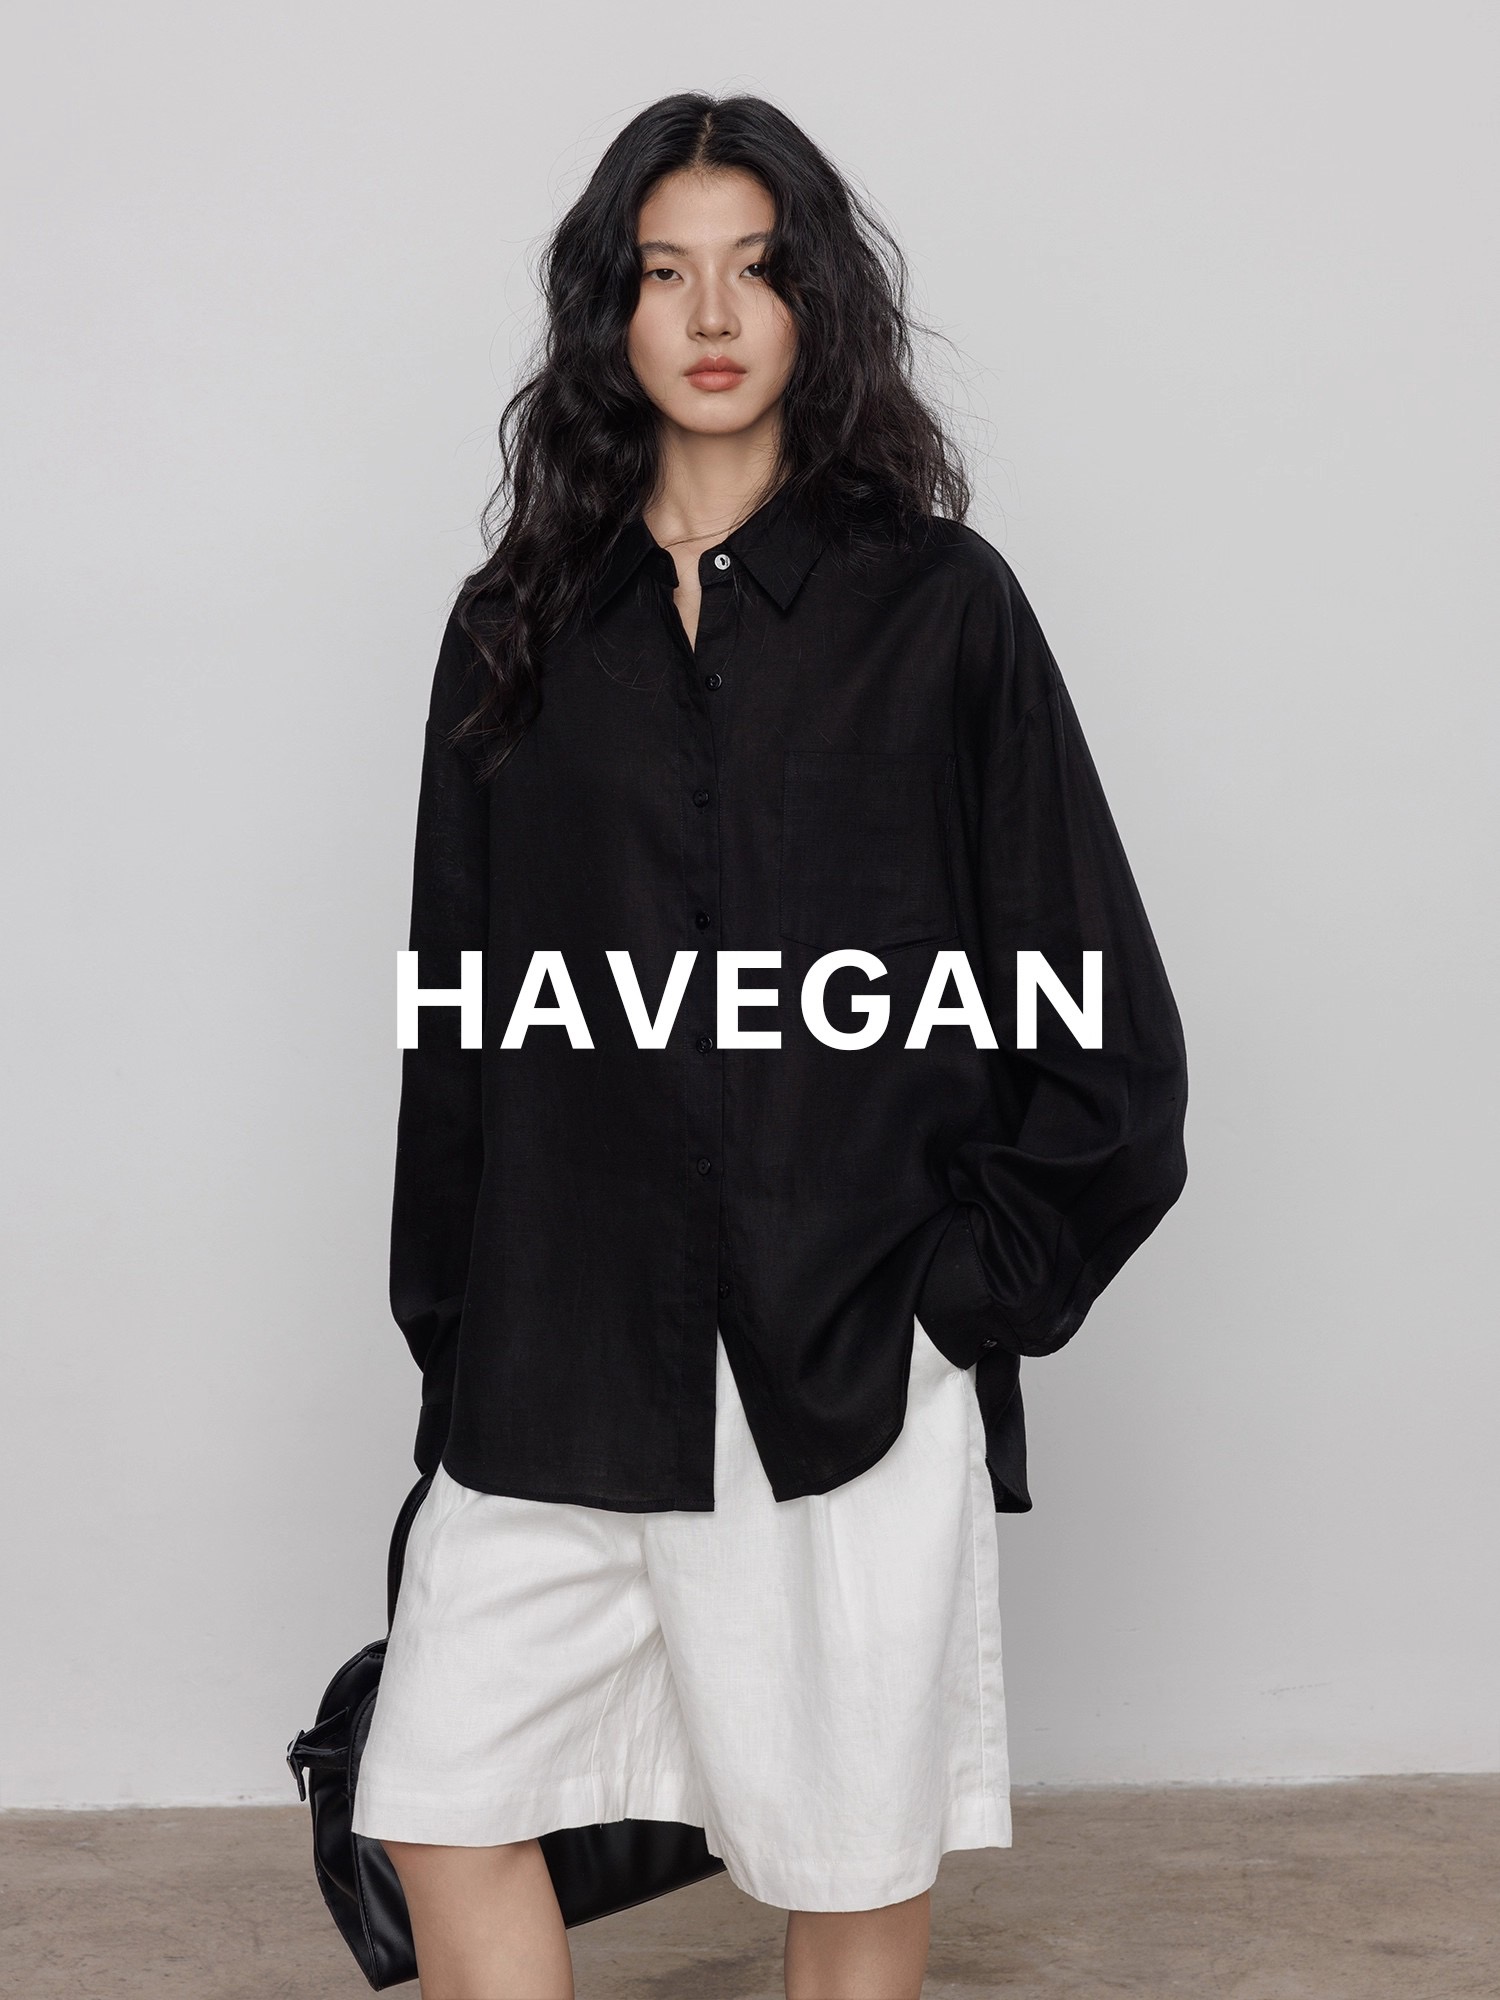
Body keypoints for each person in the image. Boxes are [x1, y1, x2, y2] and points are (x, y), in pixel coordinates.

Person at [351, 91, 1188, 2000]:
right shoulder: (515, 629)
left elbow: (1109, 1042)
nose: (714, 315)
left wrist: (948, 1307)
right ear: (612, 312)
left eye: (755, 268)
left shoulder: (942, 612)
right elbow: (457, 1027)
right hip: (559, 1358)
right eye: (667, 273)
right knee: (441, 1796)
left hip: (844, 1363)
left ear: (818, 305)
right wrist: (453, 1358)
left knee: (848, 1852)